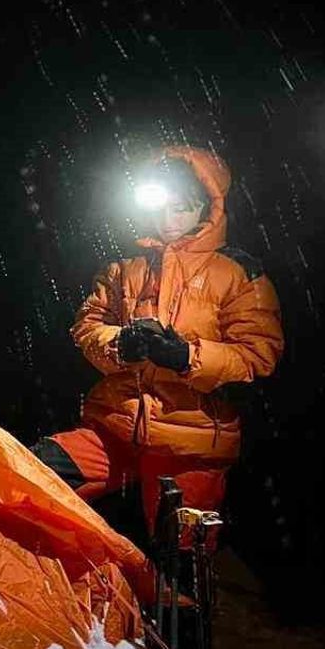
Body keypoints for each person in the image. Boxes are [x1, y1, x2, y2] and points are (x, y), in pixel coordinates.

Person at [31, 145, 284, 552]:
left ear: (207, 208)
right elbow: (86, 326)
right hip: (114, 429)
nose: (169, 221)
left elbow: (259, 354)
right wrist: (120, 344)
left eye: (181, 208)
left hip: (192, 445)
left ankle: (180, 609)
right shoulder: (124, 267)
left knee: (181, 559)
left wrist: (186, 357)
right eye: (161, 207)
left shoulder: (238, 273)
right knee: (31, 474)